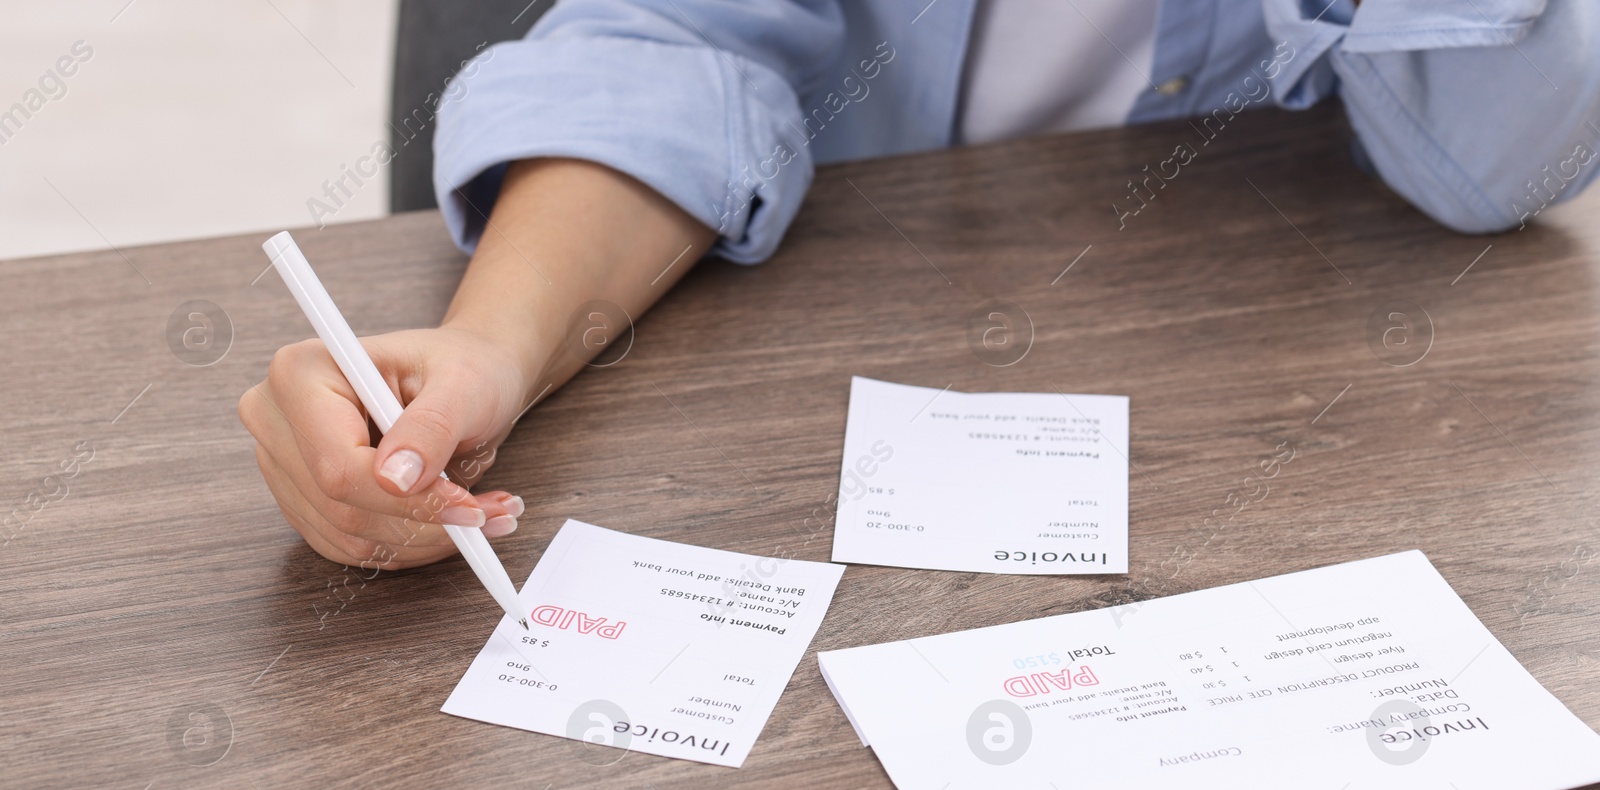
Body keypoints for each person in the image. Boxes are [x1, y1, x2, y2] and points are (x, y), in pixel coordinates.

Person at [240, 0, 1600, 570]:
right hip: (799, 424)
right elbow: (674, 48)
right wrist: (494, 345)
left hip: (1259, 424)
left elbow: (1493, 168)